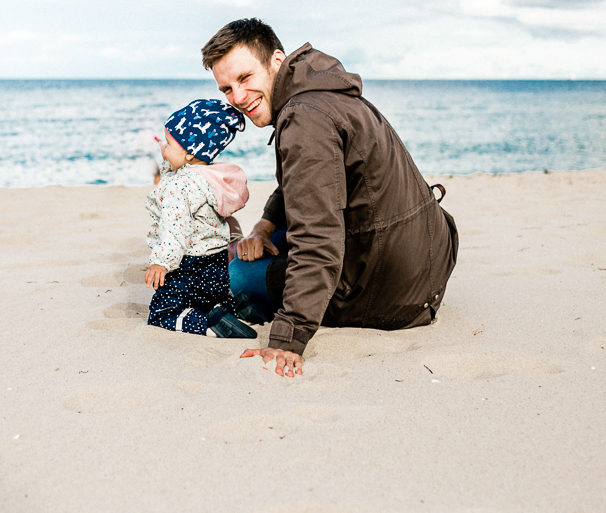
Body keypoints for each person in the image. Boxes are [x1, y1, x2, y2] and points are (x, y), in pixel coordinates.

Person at [203, 19, 459, 377]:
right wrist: (264, 225)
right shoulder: (319, 91)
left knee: (237, 274)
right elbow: (307, 182)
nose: (238, 98)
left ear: (276, 61)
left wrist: (287, 339)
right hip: (427, 263)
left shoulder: (304, 119)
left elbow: (317, 237)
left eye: (245, 79)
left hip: (393, 294)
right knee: (267, 240)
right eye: (226, 89)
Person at [145, 99, 258, 339]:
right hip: (217, 266)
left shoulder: (178, 186)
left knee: (162, 311)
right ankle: (237, 307)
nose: (163, 149)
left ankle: (211, 323)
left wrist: (162, 262)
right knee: (209, 298)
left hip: (189, 267)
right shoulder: (210, 177)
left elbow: (175, 230)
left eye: (168, 144)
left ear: (187, 153)